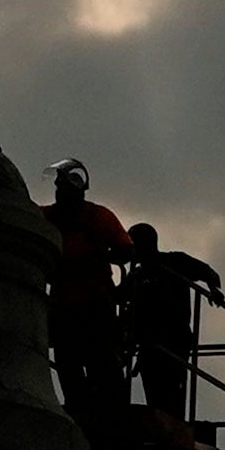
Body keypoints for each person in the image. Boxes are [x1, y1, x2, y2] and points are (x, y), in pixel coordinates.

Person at [43, 158, 133, 410]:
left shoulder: (98, 216)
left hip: (94, 301)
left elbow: (125, 249)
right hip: (63, 302)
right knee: (67, 359)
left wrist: (97, 257)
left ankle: (109, 409)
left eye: (65, 188)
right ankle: (79, 405)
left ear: (78, 190)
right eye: (58, 188)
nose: (61, 193)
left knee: (100, 359)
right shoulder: (47, 216)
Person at [122, 220, 225, 424]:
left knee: (173, 392)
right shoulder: (137, 275)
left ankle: (175, 428)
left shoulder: (175, 262)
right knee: (155, 395)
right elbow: (119, 299)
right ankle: (164, 427)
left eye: (136, 243)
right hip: (148, 345)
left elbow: (208, 272)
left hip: (174, 341)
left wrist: (213, 290)